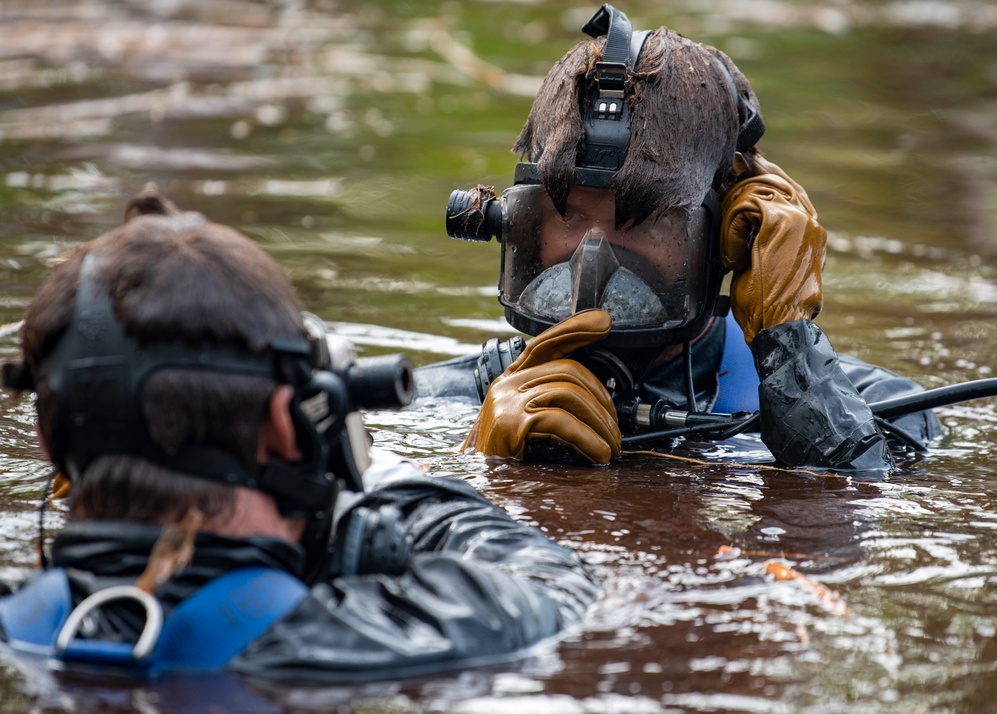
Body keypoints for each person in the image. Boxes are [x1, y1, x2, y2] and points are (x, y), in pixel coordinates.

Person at [0, 190, 598, 682]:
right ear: (288, 430)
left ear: (47, 442)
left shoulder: (14, 629)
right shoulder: (362, 641)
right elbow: (552, 585)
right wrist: (366, 498)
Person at [418, 3, 941, 471]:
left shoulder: (885, 411)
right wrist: (485, 462)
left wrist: (789, 348)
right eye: (568, 215)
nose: (591, 263)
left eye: (641, 221)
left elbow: (852, 523)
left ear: (727, 236)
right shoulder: (436, 401)